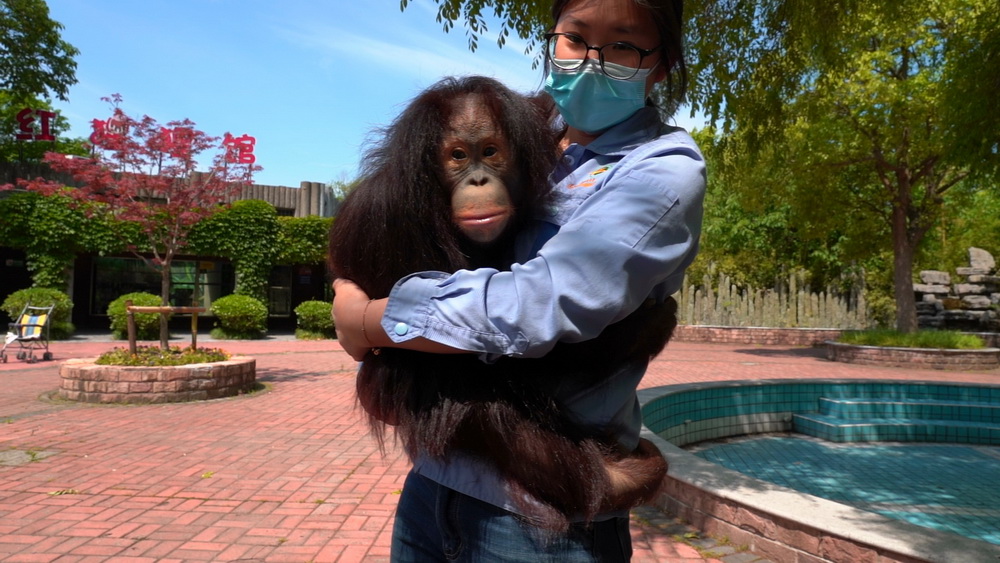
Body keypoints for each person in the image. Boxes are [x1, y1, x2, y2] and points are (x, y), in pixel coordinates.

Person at [333, 0, 705, 560]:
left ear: (660, 64)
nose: (592, 62)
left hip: (534, 527)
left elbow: (537, 305)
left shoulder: (661, 170)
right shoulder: (523, 128)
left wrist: (371, 320)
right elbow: (385, 230)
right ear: (551, 39)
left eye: (623, 45)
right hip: (432, 483)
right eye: (575, 38)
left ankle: (585, 476)